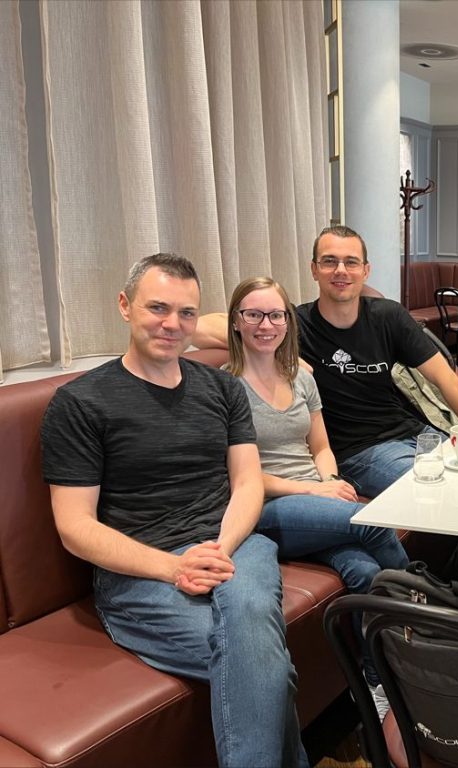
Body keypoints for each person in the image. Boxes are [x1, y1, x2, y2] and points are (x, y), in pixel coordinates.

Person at [41, 254, 308, 768]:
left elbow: (247, 482)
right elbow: (74, 526)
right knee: (260, 661)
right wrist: (174, 566)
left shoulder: (222, 388)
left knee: (254, 651)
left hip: (236, 545)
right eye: (158, 308)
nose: (173, 324)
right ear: (125, 306)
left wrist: (221, 547)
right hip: (141, 572)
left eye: (186, 313)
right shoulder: (80, 403)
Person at [225, 276, 410, 717]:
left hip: (315, 500)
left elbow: (322, 447)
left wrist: (330, 481)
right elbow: (239, 477)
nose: (265, 325)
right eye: (254, 314)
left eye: (276, 315)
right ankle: (423, 610)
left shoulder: (301, 378)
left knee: (366, 573)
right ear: (236, 321)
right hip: (266, 507)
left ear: (288, 322)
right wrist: (314, 489)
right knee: (373, 520)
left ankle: (375, 683)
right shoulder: (224, 388)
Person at [197, 225, 458, 497]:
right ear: (314, 269)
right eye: (329, 261)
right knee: (444, 490)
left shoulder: (388, 316)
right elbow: (202, 327)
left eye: (351, 262)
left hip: (415, 432)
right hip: (359, 452)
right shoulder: (294, 325)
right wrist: (281, 347)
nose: (340, 270)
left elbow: (445, 378)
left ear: (365, 270)